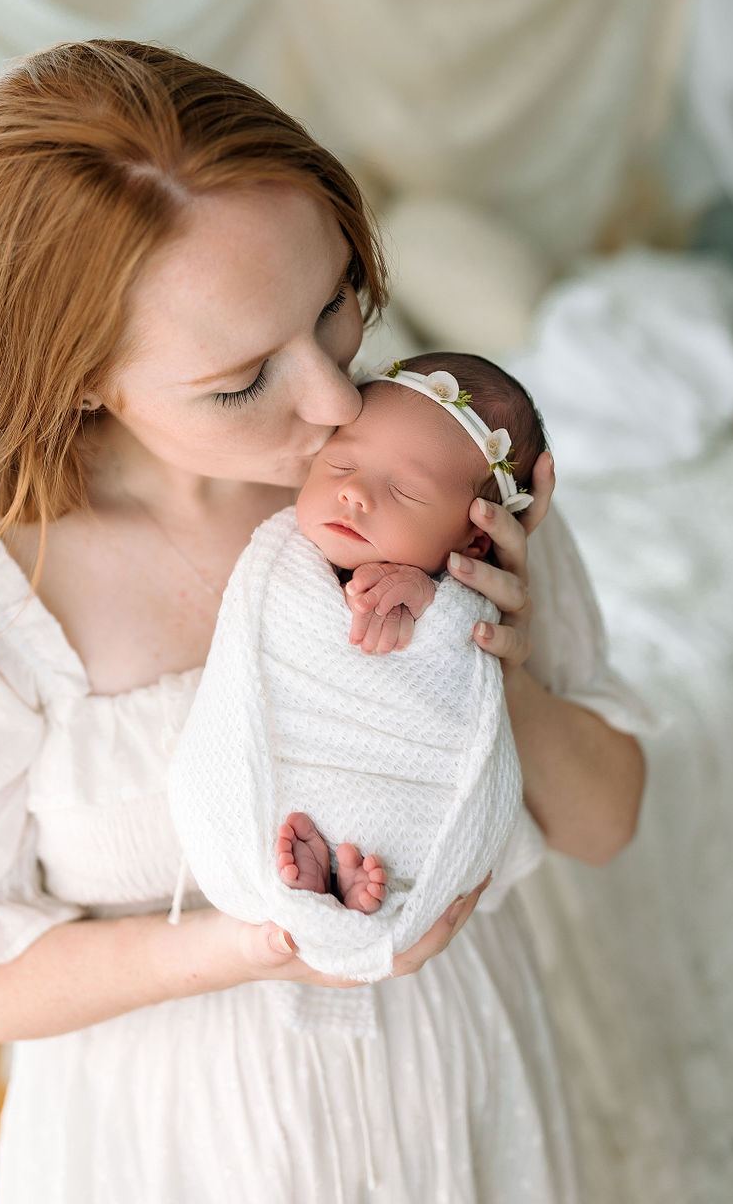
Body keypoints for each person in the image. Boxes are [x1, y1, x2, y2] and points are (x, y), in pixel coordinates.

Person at [0, 40, 652, 1203]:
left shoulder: (429, 477)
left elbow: (605, 823)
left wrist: (491, 670)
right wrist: (267, 947)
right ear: (75, 377)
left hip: (459, 1088)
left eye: (335, 307)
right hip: (174, 1142)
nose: (328, 403)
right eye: (239, 381)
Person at [168, 354, 546, 982]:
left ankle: (349, 889)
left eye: (406, 491)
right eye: (340, 464)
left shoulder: (465, 585)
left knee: (381, 838)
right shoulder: (282, 561)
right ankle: (327, 894)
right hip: (278, 777)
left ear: (473, 540)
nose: (353, 491)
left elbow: (455, 654)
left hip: (395, 785)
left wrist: (436, 602)